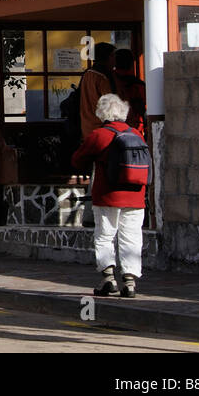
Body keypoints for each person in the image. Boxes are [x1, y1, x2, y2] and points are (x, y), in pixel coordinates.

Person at [71, 93, 148, 297]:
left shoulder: (100, 135)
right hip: (136, 196)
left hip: (108, 195)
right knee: (131, 237)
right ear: (122, 111)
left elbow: (77, 160)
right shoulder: (136, 134)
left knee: (105, 236)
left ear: (101, 112)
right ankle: (130, 283)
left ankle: (108, 279)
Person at [78, 43, 117, 139]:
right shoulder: (103, 78)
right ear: (106, 57)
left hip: (86, 128)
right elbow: (111, 107)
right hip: (103, 129)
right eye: (113, 55)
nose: (115, 59)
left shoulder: (87, 74)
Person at [112, 48, 146, 133]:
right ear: (131, 63)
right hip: (134, 128)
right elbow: (144, 109)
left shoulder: (109, 81)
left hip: (112, 126)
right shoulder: (139, 85)